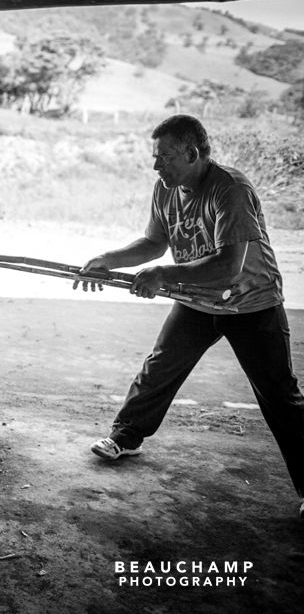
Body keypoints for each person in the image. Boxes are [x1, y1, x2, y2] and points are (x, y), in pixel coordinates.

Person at [74, 114, 304, 519]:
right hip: (197, 299)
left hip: (251, 303)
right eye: (155, 156)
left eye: (164, 157)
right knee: (160, 367)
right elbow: (154, 242)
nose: (156, 165)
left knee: (280, 397)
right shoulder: (166, 188)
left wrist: (162, 275)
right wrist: (107, 260)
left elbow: (229, 266)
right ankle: (125, 437)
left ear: (192, 153)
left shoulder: (229, 189)